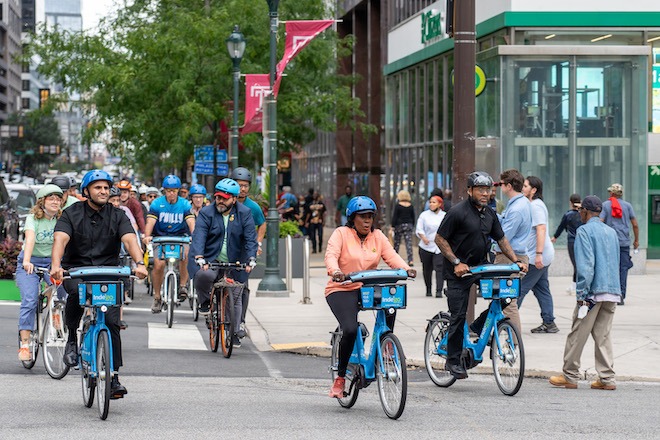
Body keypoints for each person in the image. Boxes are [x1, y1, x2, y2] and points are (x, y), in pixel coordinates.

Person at [51, 170, 147, 399]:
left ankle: (113, 377)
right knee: (75, 295)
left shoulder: (119, 215)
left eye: (106, 188)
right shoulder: (70, 214)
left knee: (113, 321)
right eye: (97, 188)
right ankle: (72, 339)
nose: (103, 191)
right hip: (76, 272)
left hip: (109, 273)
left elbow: (130, 239)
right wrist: (56, 265)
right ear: (86, 191)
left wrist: (139, 263)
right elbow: (60, 239)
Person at [435, 171, 527, 380]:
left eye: (488, 189)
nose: (486, 193)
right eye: (481, 190)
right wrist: (456, 262)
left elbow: (501, 239)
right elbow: (440, 239)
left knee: (505, 297)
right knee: (458, 315)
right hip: (459, 272)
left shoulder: (490, 214)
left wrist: (516, 261)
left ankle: (477, 326)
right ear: (470, 190)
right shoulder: (457, 212)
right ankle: (454, 360)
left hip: (483, 267)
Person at [325, 196, 415, 398]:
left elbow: (392, 257)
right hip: (342, 287)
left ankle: (386, 346)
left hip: (367, 287)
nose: (367, 221)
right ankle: (340, 379)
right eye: (362, 216)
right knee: (349, 329)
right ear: (352, 218)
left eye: (370, 217)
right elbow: (331, 255)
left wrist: (407, 269)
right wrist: (335, 271)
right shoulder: (341, 234)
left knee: (391, 302)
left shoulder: (378, 236)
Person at [549, 195, 621, 390]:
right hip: (612, 291)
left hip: (592, 293)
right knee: (603, 335)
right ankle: (607, 378)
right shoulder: (611, 232)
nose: (579, 213)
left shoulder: (584, 231)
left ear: (586, 212)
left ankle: (570, 375)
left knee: (577, 333)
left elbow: (586, 267)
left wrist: (582, 295)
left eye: (581, 210)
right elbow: (616, 262)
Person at [189, 178, 257, 347]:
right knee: (204, 276)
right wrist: (199, 256)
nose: (220, 201)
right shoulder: (207, 212)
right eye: (218, 197)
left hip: (236, 261)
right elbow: (199, 235)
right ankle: (204, 302)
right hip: (210, 259)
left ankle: (234, 332)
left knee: (235, 295)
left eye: (224, 198)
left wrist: (251, 258)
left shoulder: (245, 213)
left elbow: (250, 239)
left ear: (234, 199)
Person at [478, 169, 532, 333]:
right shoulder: (520, 204)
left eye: (501, 184)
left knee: (508, 302)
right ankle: (505, 336)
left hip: (509, 257)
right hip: (515, 255)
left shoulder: (517, 209)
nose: (499, 187)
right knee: (505, 300)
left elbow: (504, 237)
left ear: (509, 186)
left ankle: (513, 341)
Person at [16, 184, 64, 361]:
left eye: (58, 199)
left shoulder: (61, 219)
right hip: (30, 262)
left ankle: (55, 314)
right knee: (29, 300)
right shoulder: (32, 219)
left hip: (52, 262)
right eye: (51, 198)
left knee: (62, 291)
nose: (55, 202)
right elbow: (30, 239)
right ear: (42, 202)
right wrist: (27, 261)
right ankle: (25, 344)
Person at [143, 174, 196, 313]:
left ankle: (183, 286)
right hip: (160, 238)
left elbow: (191, 222)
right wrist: (147, 236)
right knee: (159, 264)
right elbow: (150, 222)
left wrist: (195, 236)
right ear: (164, 191)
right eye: (168, 190)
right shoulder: (157, 204)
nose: (171, 193)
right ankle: (157, 297)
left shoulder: (184, 204)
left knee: (185, 255)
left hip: (180, 237)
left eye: (174, 190)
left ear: (178, 190)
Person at [517, 176, 557, 333]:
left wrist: (538, 254)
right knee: (541, 288)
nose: (523, 188)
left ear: (533, 190)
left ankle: (508, 322)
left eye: (526, 186)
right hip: (540, 255)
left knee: (520, 289)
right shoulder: (534, 204)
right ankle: (549, 322)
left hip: (537, 256)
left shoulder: (536, 206)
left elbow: (541, 228)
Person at [230, 167, 266, 335]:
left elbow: (262, 224)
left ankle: (241, 321)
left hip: (244, 252)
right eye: (239, 185)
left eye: (245, 185)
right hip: (227, 249)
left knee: (242, 286)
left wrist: (257, 243)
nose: (242, 189)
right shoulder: (226, 203)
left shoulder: (253, 207)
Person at [600, 183, 639, 306]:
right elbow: (635, 224)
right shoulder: (628, 206)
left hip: (609, 243)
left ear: (611, 193)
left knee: (609, 268)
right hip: (624, 242)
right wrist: (636, 240)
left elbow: (600, 221)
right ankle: (621, 295)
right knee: (623, 269)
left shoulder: (605, 205)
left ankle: (610, 294)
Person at [551, 193, 583, 294]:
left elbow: (561, 227)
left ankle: (575, 286)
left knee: (576, 265)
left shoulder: (568, 215)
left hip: (572, 242)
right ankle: (575, 285)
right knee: (579, 264)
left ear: (570, 203)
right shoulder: (583, 214)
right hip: (582, 241)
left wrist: (555, 237)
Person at [415, 195, 445, 297]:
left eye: (434, 202)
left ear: (440, 204)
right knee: (427, 269)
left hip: (439, 247)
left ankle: (439, 291)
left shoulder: (444, 215)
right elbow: (419, 229)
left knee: (439, 268)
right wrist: (423, 237)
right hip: (426, 246)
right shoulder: (424, 215)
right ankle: (428, 289)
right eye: (430, 202)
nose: (431, 204)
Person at [391, 190, 416, 266]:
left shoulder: (398, 206)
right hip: (408, 225)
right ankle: (410, 260)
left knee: (397, 243)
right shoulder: (410, 206)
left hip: (399, 225)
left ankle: (395, 259)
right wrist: (412, 225)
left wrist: (392, 226)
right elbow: (413, 217)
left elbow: (395, 217)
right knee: (408, 243)